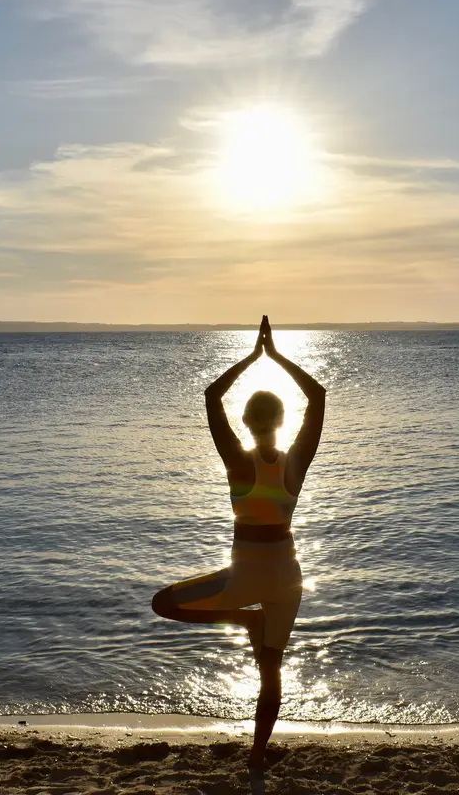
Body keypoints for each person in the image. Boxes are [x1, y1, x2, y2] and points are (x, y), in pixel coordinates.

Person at [151, 315, 325, 792]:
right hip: (288, 580)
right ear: (282, 422)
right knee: (271, 671)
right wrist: (278, 356)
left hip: (241, 580)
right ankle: (256, 759)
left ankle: (242, 620)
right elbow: (319, 397)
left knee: (163, 603)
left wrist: (251, 357)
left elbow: (211, 397)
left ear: (247, 423)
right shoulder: (295, 466)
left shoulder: (237, 463)